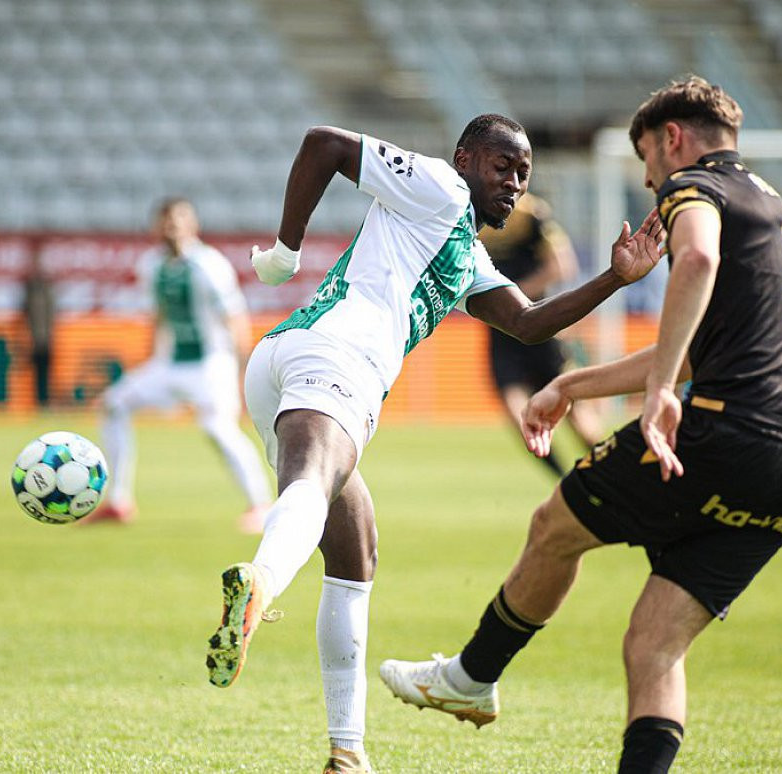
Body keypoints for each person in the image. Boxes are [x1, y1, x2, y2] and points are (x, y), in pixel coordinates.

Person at [378, 77, 782, 774]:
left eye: (647, 159)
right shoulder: (775, 210)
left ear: (671, 139)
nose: (649, 179)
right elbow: (701, 345)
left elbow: (698, 260)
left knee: (554, 527)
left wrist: (655, 395)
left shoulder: (692, 187)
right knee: (653, 643)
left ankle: (470, 677)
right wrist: (572, 384)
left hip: (727, 433)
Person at [203, 115, 664, 773]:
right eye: (502, 166)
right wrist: (285, 250)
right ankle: (261, 581)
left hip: (284, 362)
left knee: (354, 543)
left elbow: (529, 324)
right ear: (466, 158)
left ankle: (347, 752)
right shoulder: (442, 188)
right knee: (312, 484)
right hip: (337, 360)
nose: (514, 183)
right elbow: (324, 145)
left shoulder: (468, 253)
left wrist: (615, 278)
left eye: (523, 173)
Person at [89, 197, 272, 531]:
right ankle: (119, 501)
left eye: (180, 218)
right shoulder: (151, 264)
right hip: (170, 363)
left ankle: (260, 506)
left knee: (218, 429)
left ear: (193, 225)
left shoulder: (209, 264)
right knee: (113, 404)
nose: (172, 225)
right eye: (166, 219)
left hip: (211, 363)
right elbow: (157, 317)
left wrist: (242, 370)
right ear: (156, 226)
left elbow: (234, 316)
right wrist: (148, 364)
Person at [477, 191, 604, 476]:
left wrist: (513, 299)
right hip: (500, 335)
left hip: (538, 326)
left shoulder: (531, 214)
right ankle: (566, 484)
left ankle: (618, 475)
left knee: (579, 419)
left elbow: (562, 265)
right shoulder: (472, 214)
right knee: (519, 417)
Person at [22, 250, 56, 410]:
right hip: (35, 338)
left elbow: (52, 313)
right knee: (37, 373)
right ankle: (39, 402)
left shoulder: (46, 288)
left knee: (46, 372)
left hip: (46, 338)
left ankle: (45, 402)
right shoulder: (29, 289)